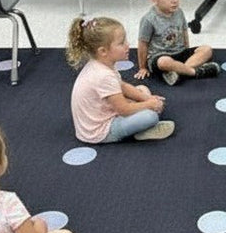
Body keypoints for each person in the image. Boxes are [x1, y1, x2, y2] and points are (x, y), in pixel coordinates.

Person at [66, 15, 174, 143]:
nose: (128, 45)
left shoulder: (101, 64)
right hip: (100, 132)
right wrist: (149, 104)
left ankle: (140, 123)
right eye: (121, 43)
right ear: (103, 51)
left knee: (141, 89)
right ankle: (142, 130)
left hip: (103, 113)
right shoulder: (103, 76)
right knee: (151, 116)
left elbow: (121, 86)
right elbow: (123, 109)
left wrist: (146, 98)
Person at [135, 0, 220, 85]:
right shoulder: (149, 19)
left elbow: (184, 31)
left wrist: (187, 49)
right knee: (164, 62)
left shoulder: (179, 12)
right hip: (160, 56)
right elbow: (142, 44)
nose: (175, 0)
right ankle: (193, 72)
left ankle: (179, 71)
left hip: (180, 52)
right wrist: (142, 67)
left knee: (206, 50)